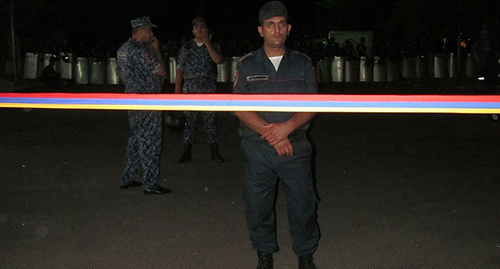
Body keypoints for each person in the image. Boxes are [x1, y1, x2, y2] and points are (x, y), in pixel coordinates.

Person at [233, 1, 320, 268]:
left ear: (289, 28)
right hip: (258, 148)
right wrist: (273, 134)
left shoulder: (303, 63)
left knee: (303, 205)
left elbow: (313, 105)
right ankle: (264, 256)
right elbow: (239, 107)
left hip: (295, 146)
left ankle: (305, 255)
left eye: (282, 24)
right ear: (261, 30)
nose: (277, 29)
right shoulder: (246, 64)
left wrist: (286, 129)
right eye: (270, 25)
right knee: (258, 206)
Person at [116, 16, 172, 195]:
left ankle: (127, 178)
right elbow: (161, 71)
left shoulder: (123, 49)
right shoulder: (143, 51)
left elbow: (122, 76)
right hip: (148, 100)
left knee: (135, 138)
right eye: (149, 30)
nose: (152, 34)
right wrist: (156, 50)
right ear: (140, 31)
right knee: (151, 141)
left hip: (131, 98)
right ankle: (150, 184)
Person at [175, 17, 225, 163]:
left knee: (210, 120)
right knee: (189, 120)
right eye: (196, 26)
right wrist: (177, 90)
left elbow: (218, 60)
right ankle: (187, 151)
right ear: (193, 30)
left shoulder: (213, 45)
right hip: (190, 86)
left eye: (202, 26)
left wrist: (207, 42)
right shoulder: (187, 47)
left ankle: (214, 151)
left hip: (207, 86)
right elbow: (180, 68)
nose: (199, 28)